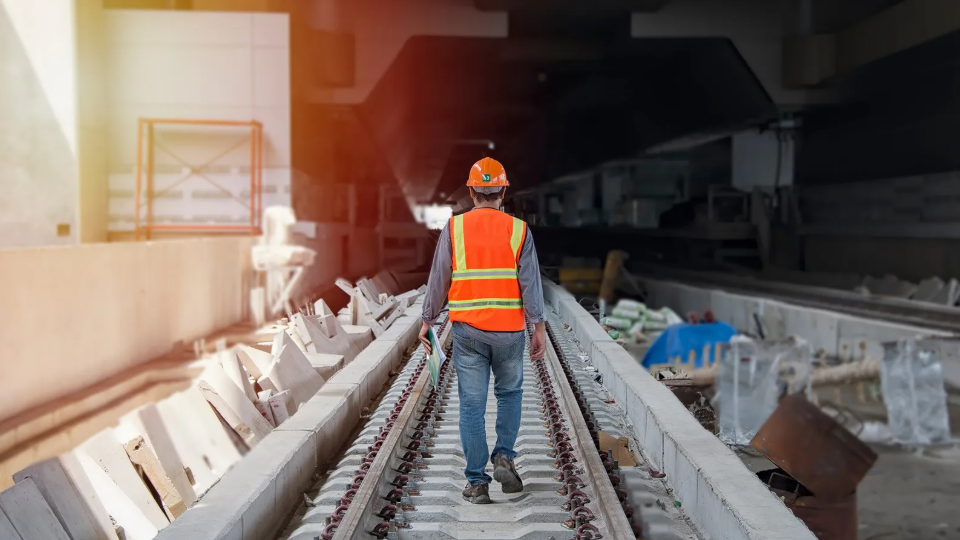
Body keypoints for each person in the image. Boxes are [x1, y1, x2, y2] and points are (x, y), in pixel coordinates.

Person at [419, 157, 547, 504]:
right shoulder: (519, 230)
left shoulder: (454, 228)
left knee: (472, 405)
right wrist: (538, 327)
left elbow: (438, 278)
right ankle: (504, 456)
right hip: (508, 331)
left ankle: (477, 483)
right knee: (510, 394)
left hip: (468, 332)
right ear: (503, 191)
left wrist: (428, 320)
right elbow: (531, 283)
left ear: (472, 191)